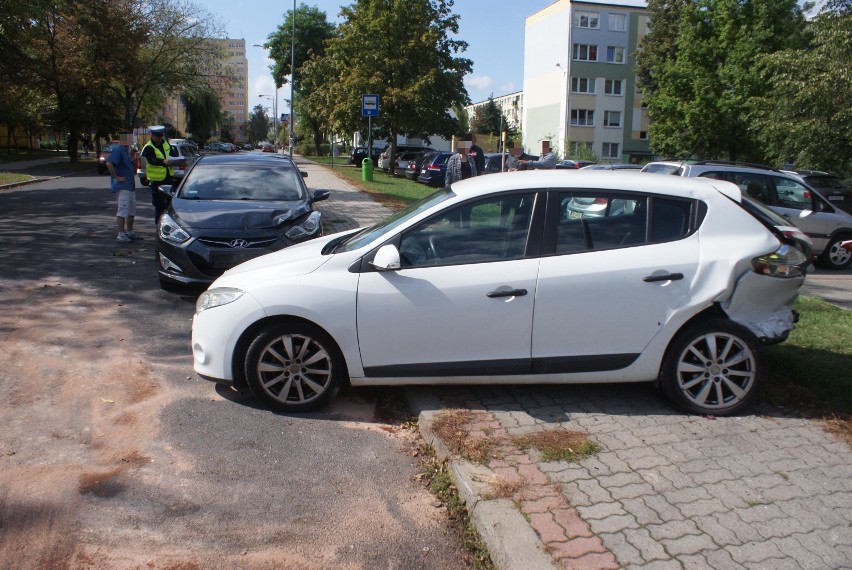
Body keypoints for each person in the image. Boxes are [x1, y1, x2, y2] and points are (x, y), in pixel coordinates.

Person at [105, 132, 137, 243]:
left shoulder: (126, 150)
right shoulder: (118, 150)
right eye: (129, 138)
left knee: (131, 210)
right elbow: (109, 163)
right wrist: (116, 177)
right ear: (123, 139)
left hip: (130, 185)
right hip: (123, 186)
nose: (131, 140)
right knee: (123, 210)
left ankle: (130, 232)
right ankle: (121, 234)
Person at [141, 125, 174, 221]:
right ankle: (158, 225)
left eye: (161, 136)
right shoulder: (148, 147)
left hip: (168, 177)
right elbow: (152, 160)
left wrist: (177, 161)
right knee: (159, 205)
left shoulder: (166, 144)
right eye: (157, 137)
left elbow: (173, 155)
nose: (160, 139)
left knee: (170, 204)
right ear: (152, 136)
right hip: (157, 180)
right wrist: (163, 161)